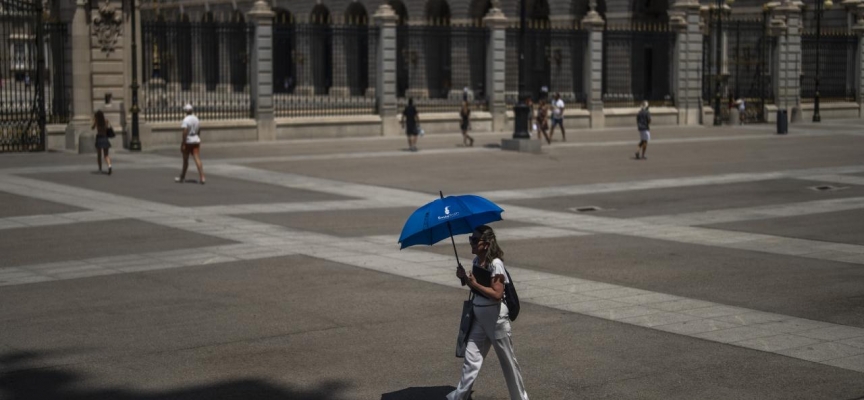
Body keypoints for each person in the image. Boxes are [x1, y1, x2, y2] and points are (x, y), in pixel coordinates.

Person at [449, 225, 529, 400]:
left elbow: (497, 294)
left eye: (475, 240)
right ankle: (459, 396)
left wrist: (475, 284)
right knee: (471, 359)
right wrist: (464, 278)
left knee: (508, 362)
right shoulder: (477, 262)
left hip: (496, 319)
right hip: (479, 316)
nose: (471, 242)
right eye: (471, 239)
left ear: (486, 244)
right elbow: (477, 288)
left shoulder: (496, 264)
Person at [176, 103, 206, 184]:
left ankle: (182, 176)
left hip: (188, 141)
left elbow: (185, 131)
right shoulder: (196, 119)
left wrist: (183, 142)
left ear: (186, 111)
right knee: (197, 159)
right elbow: (199, 130)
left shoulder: (186, 120)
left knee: (185, 160)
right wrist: (198, 137)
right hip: (195, 140)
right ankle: (202, 176)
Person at [91, 110, 112, 175]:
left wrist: (94, 120)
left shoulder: (96, 122)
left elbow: (92, 128)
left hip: (99, 138)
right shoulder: (106, 121)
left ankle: (100, 168)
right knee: (106, 155)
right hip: (105, 138)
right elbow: (107, 128)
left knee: (99, 155)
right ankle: (109, 166)